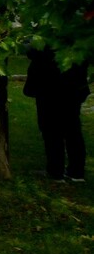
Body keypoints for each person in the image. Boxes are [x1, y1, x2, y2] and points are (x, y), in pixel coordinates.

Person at [24, 45, 88, 182]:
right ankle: (76, 171)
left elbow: (33, 51)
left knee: (52, 129)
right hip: (74, 83)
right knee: (72, 127)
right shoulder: (78, 31)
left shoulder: (51, 32)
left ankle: (56, 171)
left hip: (50, 85)